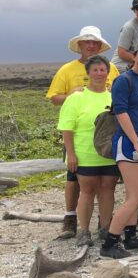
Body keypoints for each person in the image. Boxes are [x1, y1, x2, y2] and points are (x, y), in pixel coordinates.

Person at [47, 25, 120, 239]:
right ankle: (72, 221)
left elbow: (119, 96)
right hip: (81, 141)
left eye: (95, 42)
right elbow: (54, 98)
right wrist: (71, 95)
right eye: (87, 42)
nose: (91, 45)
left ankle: (104, 225)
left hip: (107, 147)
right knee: (75, 182)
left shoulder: (112, 69)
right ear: (79, 45)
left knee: (107, 188)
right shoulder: (67, 70)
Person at [100, 43, 138, 259]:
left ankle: (131, 236)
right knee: (137, 196)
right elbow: (121, 112)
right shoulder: (123, 81)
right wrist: (136, 142)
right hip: (129, 144)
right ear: (134, 57)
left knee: (133, 194)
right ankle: (110, 243)